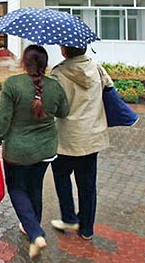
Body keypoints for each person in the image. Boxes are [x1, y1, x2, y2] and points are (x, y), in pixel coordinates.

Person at [0, 45, 69, 259]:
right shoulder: (55, 86)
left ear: (24, 63)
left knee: (16, 188)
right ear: (44, 64)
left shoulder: (13, 85)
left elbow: (3, 119)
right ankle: (31, 225)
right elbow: (64, 111)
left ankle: (34, 231)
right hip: (46, 150)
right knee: (35, 186)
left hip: (18, 151)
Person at [49, 45, 113, 240]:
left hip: (66, 139)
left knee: (61, 177)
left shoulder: (58, 73)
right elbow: (109, 89)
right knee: (87, 185)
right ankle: (87, 229)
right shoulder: (97, 68)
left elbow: (51, 105)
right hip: (91, 137)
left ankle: (69, 216)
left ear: (64, 51)